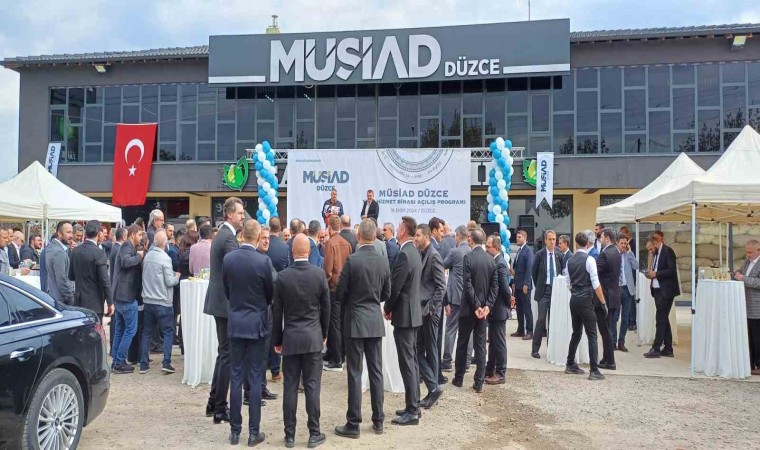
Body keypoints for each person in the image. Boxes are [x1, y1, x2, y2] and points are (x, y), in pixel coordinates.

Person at [272, 234, 330, 448]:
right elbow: (326, 307)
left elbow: (277, 313)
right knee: (312, 386)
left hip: (291, 339)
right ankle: (314, 432)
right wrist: (324, 333)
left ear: (292, 251)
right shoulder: (319, 274)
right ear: (309, 251)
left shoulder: (283, 277)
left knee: (290, 386)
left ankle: (289, 435)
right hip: (313, 338)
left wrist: (277, 340)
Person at [335, 219, 390, 438]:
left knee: (355, 372)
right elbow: (387, 293)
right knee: (376, 371)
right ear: (375, 237)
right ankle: (378, 420)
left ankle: (354, 423)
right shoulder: (383, 261)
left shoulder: (353, 260)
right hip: (374, 319)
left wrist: (352, 301)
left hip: (355, 320)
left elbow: (340, 292)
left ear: (359, 237)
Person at [223, 220, 273, 447]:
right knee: (254, 377)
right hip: (256, 324)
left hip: (236, 323)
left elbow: (227, 290)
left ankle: (235, 431)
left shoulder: (229, 259)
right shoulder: (263, 261)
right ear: (258, 237)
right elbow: (270, 294)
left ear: (242, 234)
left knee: (236, 376)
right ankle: (253, 432)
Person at [204, 197, 244, 423]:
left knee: (224, 353)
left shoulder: (223, 234)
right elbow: (235, 268)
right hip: (225, 303)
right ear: (229, 214)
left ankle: (214, 402)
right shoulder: (227, 237)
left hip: (221, 302)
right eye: (240, 213)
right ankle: (220, 407)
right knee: (227, 355)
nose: (242, 217)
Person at [384, 216, 423, 426]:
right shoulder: (412, 251)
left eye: (399, 227)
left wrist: (388, 308)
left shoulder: (405, 254)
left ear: (403, 231)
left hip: (405, 316)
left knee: (407, 363)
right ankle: (413, 404)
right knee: (412, 361)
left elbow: (396, 287)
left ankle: (413, 410)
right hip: (412, 314)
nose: (397, 230)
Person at [452, 228, 498, 393]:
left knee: (463, 343)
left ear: (471, 239)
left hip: (469, 309)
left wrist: (477, 306)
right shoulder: (491, 260)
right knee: (480, 346)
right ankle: (479, 381)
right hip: (483, 310)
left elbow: (467, 284)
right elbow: (494, 287)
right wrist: (487, 306)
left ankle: (459, 378)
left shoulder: (468, 257)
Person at [564, 232, 606, 381]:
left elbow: (568, 283)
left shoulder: (569, 260)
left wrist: (575, 292)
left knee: (576, 332)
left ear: (576, 244)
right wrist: (603, 302)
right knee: (592, 335)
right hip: (586, 299)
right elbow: (596, 283)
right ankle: (594, 370)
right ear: (587, 244)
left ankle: (570, 363)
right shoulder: (589, 260)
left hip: (574, 299)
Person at [139, 230, 180, 374]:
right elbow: (169, 281)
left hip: (148, 300)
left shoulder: (147, 256)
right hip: (163, 301)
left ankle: (143, 364)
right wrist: (176, 277)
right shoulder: (165, 258)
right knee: (168, 332)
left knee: (146, 332)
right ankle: (166, 362)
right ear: (165, 243)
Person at [414, 224, 446, 409]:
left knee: (430, 351)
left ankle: (433, 388)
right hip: (422, 310)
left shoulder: (434, 256)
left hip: (429, 312)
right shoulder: (422, 253)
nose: (415, 238)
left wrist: (431, 308)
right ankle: (433, 388)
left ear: (426, 236)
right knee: (419, 350)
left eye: (418, 235)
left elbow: (441, 287)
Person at [111, 224, 145, 374]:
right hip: (126, 296)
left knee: (120, 329)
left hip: (121, 295)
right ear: (133, 234)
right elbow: (125, 262)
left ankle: (116, 361)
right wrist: (139, 256)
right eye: (139, 235)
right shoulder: (126, 246)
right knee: (130, 329)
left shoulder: (129, 246)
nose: (141, 238)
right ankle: (119, 361)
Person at [322, 215, 352, 372]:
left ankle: (337, 359)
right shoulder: (347, 244)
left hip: (333, 288)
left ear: (329, 227)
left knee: (333, 323)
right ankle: (338, 354)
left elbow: (327, 270)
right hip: (345, 288)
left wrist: (325, 285)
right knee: (341, 321)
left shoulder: (330, 243)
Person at [644, 230, 679, 358]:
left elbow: (671, 270)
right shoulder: (655, 254)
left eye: (651, 248)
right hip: (657, 290)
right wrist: (650, 273)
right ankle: (668, 348)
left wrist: (656, 274)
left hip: (666, 290)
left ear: (656, 242)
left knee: (660, 319)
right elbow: (655, 268)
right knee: (663, 319)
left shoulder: (668, 251)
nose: (650, 251)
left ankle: (656, 348)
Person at [68, 220, 113, 319]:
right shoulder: (99, 253)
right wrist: (110, 302)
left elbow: (71, 276)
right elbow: (105, 280)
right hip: (94, 304)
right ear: (98, 233)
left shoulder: (75, 251)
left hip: (79, 301)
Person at [441, 225, 471, 372]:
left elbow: (443, 265)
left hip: (455, 297)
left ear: (458, 236)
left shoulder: (455, 252)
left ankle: (447, 361)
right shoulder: (471, 251)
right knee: (468, 331)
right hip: (469, 298)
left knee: (451, 329)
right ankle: (466, 362)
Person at [530, 230, 561, 359]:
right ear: (545, 240)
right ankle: (535, 349)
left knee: (553, 321)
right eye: (550, 239)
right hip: (544, 291)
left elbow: (560, 271)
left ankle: (551, 349)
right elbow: (534, 272)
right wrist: (540, 285)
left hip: (556, 290)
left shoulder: (558, 254)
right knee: (541, 319)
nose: (552, 242)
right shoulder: (540, 254)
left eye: (554, 239)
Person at [485, 235, 511, 385]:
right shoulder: (496, 261)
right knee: (493, 342)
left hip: (499, 308)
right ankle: (490, 369)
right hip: (495, 310)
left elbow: (504, 288)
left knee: (499, 342)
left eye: (488, 247)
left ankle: (501, 372)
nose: (486, 249)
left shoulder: (500, 263)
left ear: (495, 248)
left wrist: (508, 303)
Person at [596, 228, 620, 370]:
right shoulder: (616, 251)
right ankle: (606, 358)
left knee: (605, 330)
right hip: (613, 295)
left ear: (607, 238)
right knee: (608, 329)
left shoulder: (605, 254)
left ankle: (610, 361)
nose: (600, 239)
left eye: (601, 237)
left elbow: (595, 272)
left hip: (606, 297)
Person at [735, 240, 760, 375]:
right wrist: (738, 272)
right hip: (746, 306)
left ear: (758, 250)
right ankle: (750, 364)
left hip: (757, 308)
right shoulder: (747, 262)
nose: (748, 254)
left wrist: (743, 278)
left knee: (757, 338)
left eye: (750, 252)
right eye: (747, 252)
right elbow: (742, 272)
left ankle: (759, 364)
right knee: (749, 337)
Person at [510, 229, 534, 340]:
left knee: (526, 309)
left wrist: (526, 284)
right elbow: (517, 269)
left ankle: (529, 331)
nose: (517, 239)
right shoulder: (519, 251)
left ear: (525, 238)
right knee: (519, 309)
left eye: (519, 237)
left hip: (524, 285)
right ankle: (520, 329)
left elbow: (529, 268)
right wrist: (514, 282)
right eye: (517, 237)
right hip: (518, 284)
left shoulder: (528, 251)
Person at [45, 222, 75, 305]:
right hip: (61, 300)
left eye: (72, 232)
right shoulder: (59, 252)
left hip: (54, 296)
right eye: (68, 232)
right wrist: (71, 298)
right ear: (59, 234)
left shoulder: (52, 247)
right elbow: (61, 278)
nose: (71, 236)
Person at [616, 234, 637, 352]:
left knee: (625, 318)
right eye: (622, 243)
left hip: (627, 289)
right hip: (616, 289)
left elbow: (636, 266)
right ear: (617, 243)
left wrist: (630, 253)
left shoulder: (629, 255)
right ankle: (613, 341)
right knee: (614, 317)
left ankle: (621, 342)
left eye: (625, 243)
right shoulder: (614, 255)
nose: (624, 245)